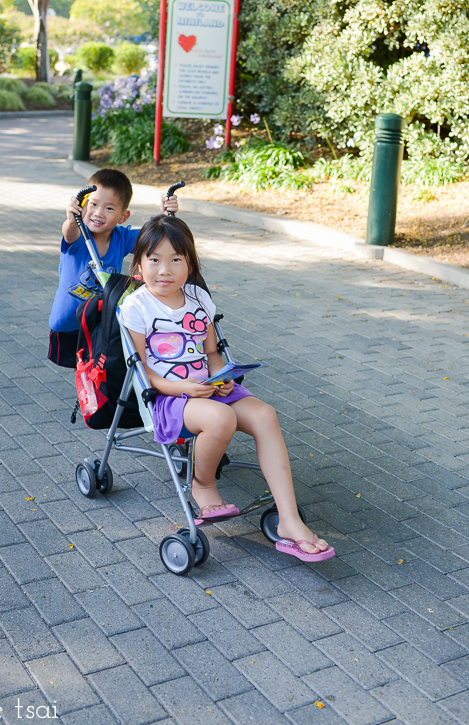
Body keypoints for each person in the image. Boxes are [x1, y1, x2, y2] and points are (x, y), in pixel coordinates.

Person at [120, 215, 335, 563]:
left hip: (210, 390)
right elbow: (143, 372)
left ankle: (290, 521)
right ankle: (202, 483)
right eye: (154, 260)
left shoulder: (198, 298)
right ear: (139, 265)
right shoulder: (136, 306)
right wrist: (180, 388)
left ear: (190, 264)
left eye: (176, 259)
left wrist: (222, 376)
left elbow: (211, 354)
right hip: (167, 397)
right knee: (221, 419)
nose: (165, 269)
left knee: (265, 415)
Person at [48, 168, 178, 370]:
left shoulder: (121, 237)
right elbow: (68, 231)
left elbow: (152, 237)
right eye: (93, 204)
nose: (99, 213)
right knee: (80, 369)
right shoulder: (78, 236)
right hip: (68, 323)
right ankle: (84, 400)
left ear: (122, 216)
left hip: (100, 322)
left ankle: (91, 401)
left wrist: (165, 214)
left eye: (109, 209)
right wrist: (72, 219)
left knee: (99, 368)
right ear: (83, 205)